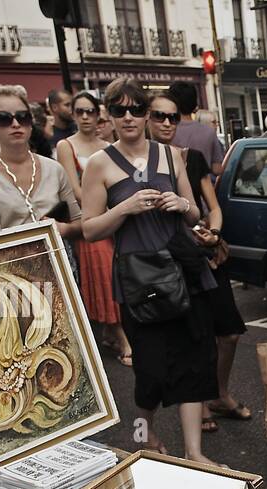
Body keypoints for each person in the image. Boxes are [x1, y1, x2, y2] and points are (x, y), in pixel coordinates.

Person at [81, 78, 218, 465]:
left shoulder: (171, 155)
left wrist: (180, 202)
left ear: (145, 114)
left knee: (194, 360)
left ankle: (194, 452)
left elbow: (196, 212)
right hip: (139, 278)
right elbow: (90, 229)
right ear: (108, 115)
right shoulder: (100, 163)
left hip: (181, 268)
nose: (129, 117)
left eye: (136, 109)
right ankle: (142, 434)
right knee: (151, 369)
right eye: (119, 110)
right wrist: (124, 208)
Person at [147, 91, 251, 427]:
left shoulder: (191, 159)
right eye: (159, 116)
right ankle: (200, 401)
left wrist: (215, 235)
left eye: (173, 117)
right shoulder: (142, 165)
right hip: (169, 260)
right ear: (147, 120)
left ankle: (219, 393)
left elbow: (214, 207)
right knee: (193, 334)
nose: (167, 123)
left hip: (203, 250)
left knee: (230, 331)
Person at [56, 90, 131, 366]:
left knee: (122, 268)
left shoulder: (108, 143)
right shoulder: (67, 145)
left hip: (114, 214)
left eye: (90, 111)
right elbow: (74, 189)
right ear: (73, 115)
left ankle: (114, 330)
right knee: (104, 266)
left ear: (98, 114)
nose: (86, 117)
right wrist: (104, 212)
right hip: (90, 216)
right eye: (80, 112)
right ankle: (119, 332)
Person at [0, 85, 82, 240]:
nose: (16, 124)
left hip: (61, 259)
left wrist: (64, 229)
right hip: (13, 262)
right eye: (4, 118)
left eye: (23, 117)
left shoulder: (54, 169)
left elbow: (79, 223)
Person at [169, 80, 225, 177]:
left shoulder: (166, 131)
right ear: (195, 103)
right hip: (203, 188)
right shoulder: (209, 131)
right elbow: (217, 169)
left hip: (173, 187)